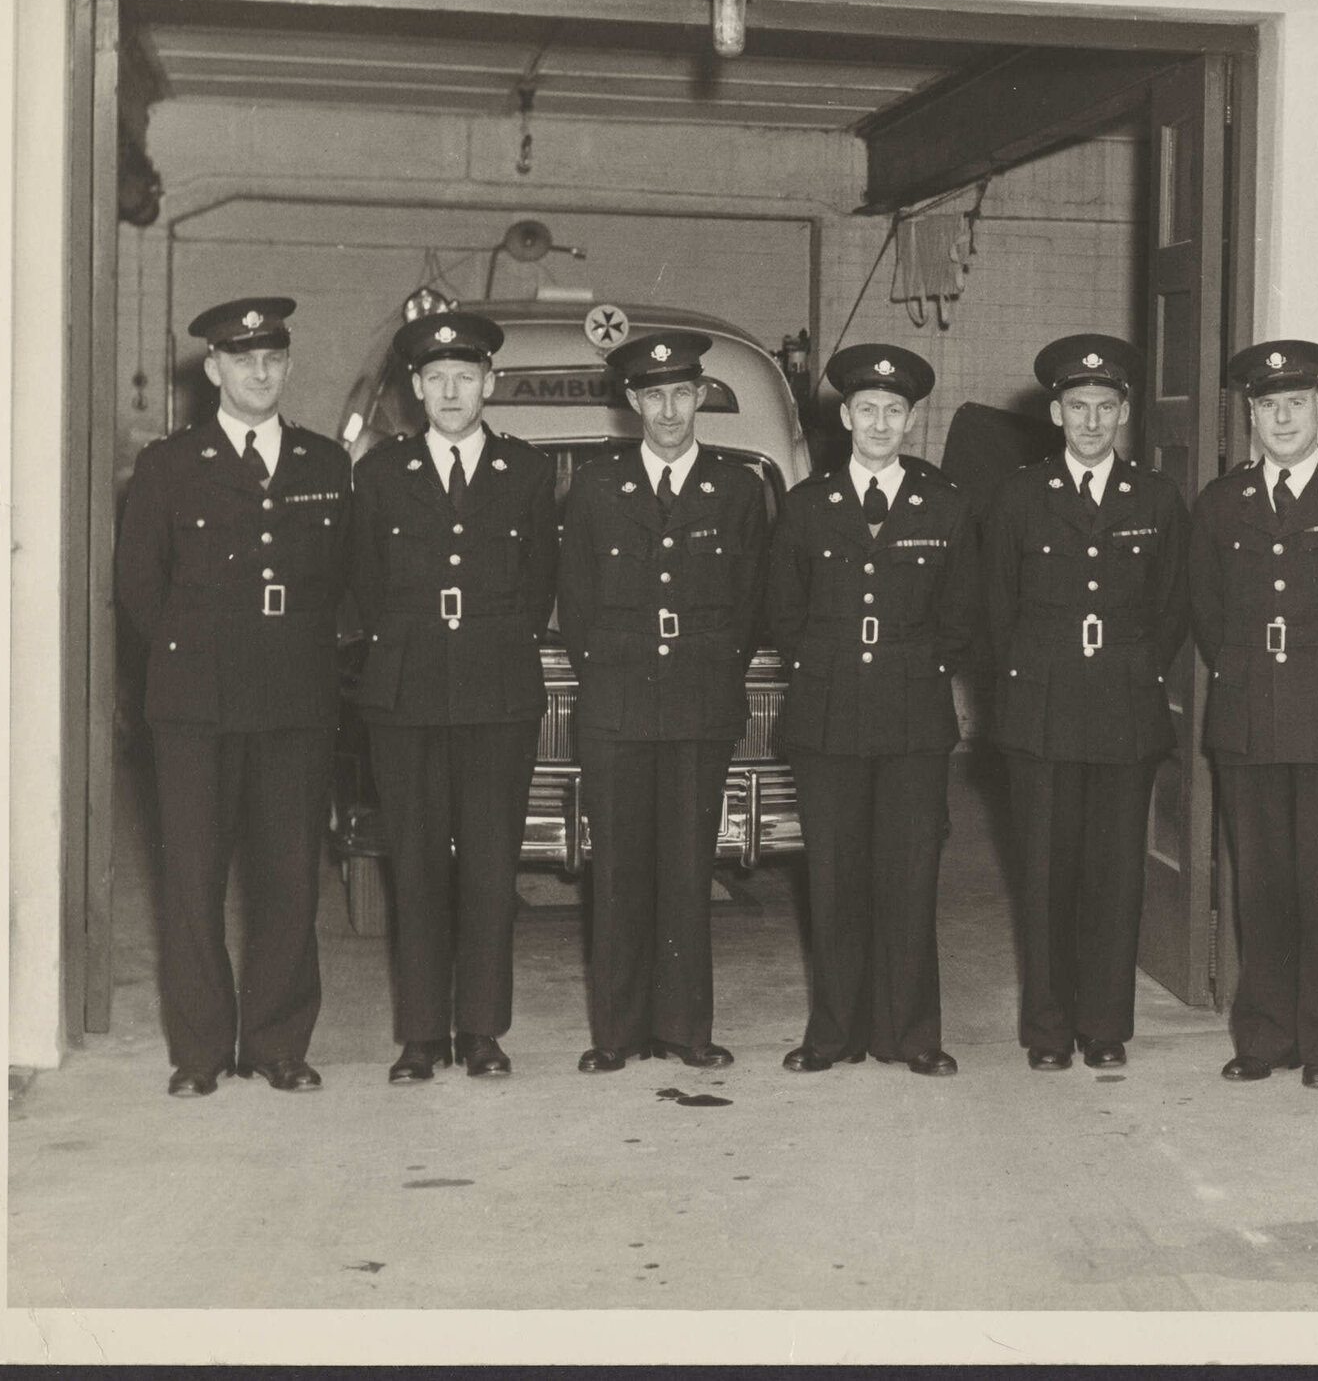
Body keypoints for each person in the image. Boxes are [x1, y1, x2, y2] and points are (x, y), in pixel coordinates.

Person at [114, 297, 351, 1096]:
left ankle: (280, 1043)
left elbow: (346, 580)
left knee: (288, 875)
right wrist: (193, 656)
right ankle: (202, 1051)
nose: (260, 371)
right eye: (243, 358)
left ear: (286, 365)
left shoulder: (324, 464)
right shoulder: (169, 465)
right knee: (193, 881)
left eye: (274, 358)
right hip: (197, 704)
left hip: (294, 699)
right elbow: (139, 588)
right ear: (213, 369)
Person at [349, 311, 557, 1083]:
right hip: (404, 693)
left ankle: (481, 1031)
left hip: (498, 692)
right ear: (414, 388)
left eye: (464, 378)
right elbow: (365, 586)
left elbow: (539, 585)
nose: (449, 391)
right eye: (435, 379)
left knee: (490, 867)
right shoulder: (379, 475)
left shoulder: (528, 474)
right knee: (416, 867)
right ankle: (420, 1036)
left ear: (489, 384)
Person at [1189, 341, 1318, 1090]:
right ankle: (1263, 1037)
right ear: (1251, 415)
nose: (1282, 417)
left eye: (1296, 404)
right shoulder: (1222, 503)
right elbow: (1208, 615)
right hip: (1249, 717)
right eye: (1268, 406)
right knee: (1262, 884)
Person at [557, 331, 770, 1073]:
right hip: (616, 702)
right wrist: (616, 668)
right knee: (617, 870)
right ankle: (615, 1035)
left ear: (701, 396)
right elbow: (575, 602)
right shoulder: (594, 487)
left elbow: (749, 607)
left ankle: (686, 1031)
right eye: (654, 395)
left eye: (683, 393)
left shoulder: (738, 490)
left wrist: (707, 668)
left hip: (699, 702)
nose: (670, 409)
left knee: (687, 869)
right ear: (632, 402)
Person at [766, 344, 980, 1078]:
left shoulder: (945, 505)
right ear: (846, 416)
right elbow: (782, 611)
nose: (880, 422)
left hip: (914, 716)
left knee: (911, 874)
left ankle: (912, 1034)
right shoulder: (805, 506)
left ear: (912, 420)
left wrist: (912, 663)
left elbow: (962, 614)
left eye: (895, 411)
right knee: (832, 877)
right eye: (867, 410)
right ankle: (832, 1034)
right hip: (826, 717)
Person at [984, 334, 1190, 1071]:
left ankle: (1104, 1026)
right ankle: (1046, 1030)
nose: (1093, 422)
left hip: (1124, 712)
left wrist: (1133, 670)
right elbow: (996, 611)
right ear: (1055, 411)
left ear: (1126, 412)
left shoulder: (1157, 499)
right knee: (1043, 876)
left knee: (1114, 875)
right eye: (1079, 407)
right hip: (1039, 712)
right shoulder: (1018, 495)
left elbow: (1172, 609)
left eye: (1106, 407)